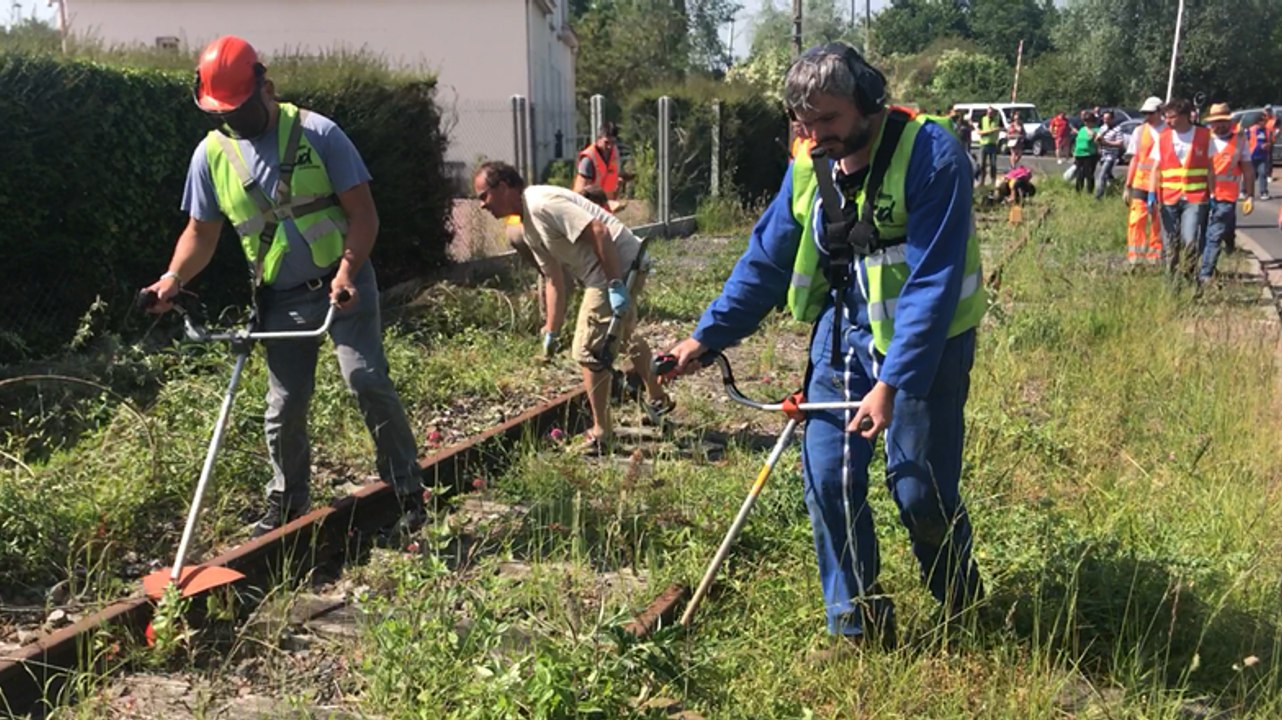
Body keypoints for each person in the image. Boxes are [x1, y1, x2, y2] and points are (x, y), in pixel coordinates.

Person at [665, 43, 986, 647]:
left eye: (829, 121)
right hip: (843, 338)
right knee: (829, 482)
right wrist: (703, 339)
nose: (814, 136)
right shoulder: (809, 165)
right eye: (803, 123)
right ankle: (856, 626)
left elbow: (934, 280)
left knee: (921, 490)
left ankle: (961, 603)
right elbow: (765, 260)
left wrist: (892, 383)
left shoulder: (930, 154)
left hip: (928, 347)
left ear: (869, 103)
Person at [142, 36, 424, 536]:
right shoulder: (210, 156)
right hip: (281, 297)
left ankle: (408, 490)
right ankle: (288, 500)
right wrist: (172, 278)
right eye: (220, 110)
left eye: (240, 107)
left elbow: (363, 215)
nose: (232, 118)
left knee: (366, 380)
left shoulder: (320, 133)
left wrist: (347, 270)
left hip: (344, 285)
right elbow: (200, 234)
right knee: (285, 403)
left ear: (265, 86)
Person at [473, 162, 673, 454]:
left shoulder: (540, 203)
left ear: (503, 186)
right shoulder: (529, 225)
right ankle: (658, 400)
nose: (481, 205)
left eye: (483, 196)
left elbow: (599, 230)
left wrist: (615, 284)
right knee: (624, 335)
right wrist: (551, 332)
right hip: (623, 263)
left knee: (588, 349)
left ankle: (602, 433)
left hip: (614, 267)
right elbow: (554, 279)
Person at [1147, 98, 1213, 282]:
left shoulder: (1204, 136)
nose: (1166, 121)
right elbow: (1155, 169)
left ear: (1184, 116)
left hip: (1195, 198)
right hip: (1168, 199)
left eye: (1170, 117)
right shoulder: (1163, 138)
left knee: (1190, 239)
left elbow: (1210, 168)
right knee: (1170, 245)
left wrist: (1213, 194)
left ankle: (1189, 275)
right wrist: (1152, 194)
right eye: (1165, 117)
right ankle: (1171, 281)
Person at [1198, 103, 1255, 288]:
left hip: (1226, 197)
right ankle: (1203, 267)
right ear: (1211, 124)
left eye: (1223, 121)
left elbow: (1247, 169)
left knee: (1214, 235)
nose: (1220, 125)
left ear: (1230, 122)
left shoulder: (1240, 141)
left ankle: (1205, 273)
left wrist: (1249, 195)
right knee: (1202, 234)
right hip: (1202, 193)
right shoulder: (1204, 139)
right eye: (1216, 122)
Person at [1123, 96, 1166, 266]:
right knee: (1136, 220)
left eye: (1151, 113)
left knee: (1158, 221)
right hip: (1140, 183)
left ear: (1160, 112)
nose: (1147, 116)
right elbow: (1134, 159)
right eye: (1145, 113)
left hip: (1162, 184)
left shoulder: (1169, 131)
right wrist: (1128, 185)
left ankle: (1155, 257)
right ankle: (1135, 258)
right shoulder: (1139, 131)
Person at [573, 122, 621, 201]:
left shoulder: (614, 154)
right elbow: (581, 192)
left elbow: (611, 186)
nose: (610, 146)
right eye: (606, 142)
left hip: (606, 207)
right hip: (589, 208)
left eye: (613, 142)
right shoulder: (588, 160)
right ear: (599, 139)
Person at [1093, 111, 1126, 200]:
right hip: (1103, 155)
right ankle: (1119, 187)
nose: (1105, 121)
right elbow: (1097, 140)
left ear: (1112, 119)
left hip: (1111, 156)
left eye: (1107, 119)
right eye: (1104, 119)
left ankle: (1098, 197)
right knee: (1108, 176)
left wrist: (1107, 143)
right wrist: (1098, 140)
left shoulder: (1118, 129)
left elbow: (1119, 143)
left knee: (1102, 175)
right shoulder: (1103, 128)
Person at [1073, 113, 1101, 194]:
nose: (1086, 123)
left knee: (1088, 175)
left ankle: (1089, 192)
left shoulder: (1096, 130)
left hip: (1089, 155)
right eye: (1085, 121)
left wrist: (1094, 137)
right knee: (1079, 175)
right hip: (1079, 154)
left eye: (1088, 121)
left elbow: (1098, 141)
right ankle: (1078, 192)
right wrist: (1074, 152)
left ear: (1093, 121)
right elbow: (1078, 141)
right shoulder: (1082, 129)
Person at [1247, 114, 1271, 201]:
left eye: (1265, 121)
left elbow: (1269, 141)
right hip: (1252, 156)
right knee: (1250, 175)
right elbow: (1245, 141)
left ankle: (1263, 192)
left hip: (1263, 156)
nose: (1265, 123)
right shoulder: (1251, 130)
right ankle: (1244, 191)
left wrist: (1268, 145)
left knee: (1263, 173)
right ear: (1258, 121)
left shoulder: (1267, 130)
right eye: (1263, 121)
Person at [977, 106, 1001, 186]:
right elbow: (979, 131)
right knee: (982, 164)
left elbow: (1001, 128)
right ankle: (982, 181)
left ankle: (993, 181)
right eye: (989, 112)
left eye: (991, 113)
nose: (990, 114)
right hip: (984, 144)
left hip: (993, 144)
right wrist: (990, 131)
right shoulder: (983, 119)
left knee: (993, 164)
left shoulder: (997, 119)